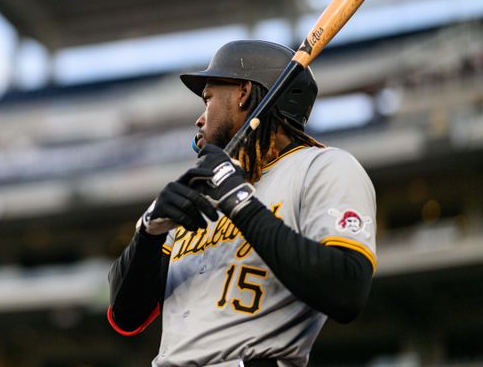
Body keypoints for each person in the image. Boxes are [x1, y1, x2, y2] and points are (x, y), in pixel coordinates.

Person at [107, 40, 377, 367]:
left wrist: (239, 202)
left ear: (243, 93)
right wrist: (147, 234)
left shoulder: (322, 167)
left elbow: (347, 291)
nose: (200, 119)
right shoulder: (204, 191)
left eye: (208, 99)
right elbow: (126, 317)